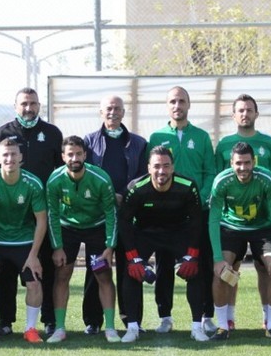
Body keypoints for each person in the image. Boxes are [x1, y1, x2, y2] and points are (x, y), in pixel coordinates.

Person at [0, 88, 63, 337]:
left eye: (32, 103)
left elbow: (59, 170)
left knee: (44, 268)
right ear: (15, 106)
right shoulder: (3, 133)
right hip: (8, 214)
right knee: (6, 272)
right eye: (23, 104)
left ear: (39, 105)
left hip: (41, 211)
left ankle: (49, 319)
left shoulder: (52, 133)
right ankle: (5, 321)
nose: (28, 108)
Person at [118, 146, 208, 342]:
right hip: (145, 233)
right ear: (148, 168)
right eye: (157, 166)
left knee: (195, 270)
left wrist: (192, 255)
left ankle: (197, 326)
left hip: (178, 232)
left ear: (173, 167)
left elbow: (196, 221)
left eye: (166, 166)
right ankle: (132, 327)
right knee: (130, 271)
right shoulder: (136, 188)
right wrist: (133, 257)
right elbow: (124, 222)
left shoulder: (187, 186)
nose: (162, 171)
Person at [146, 87, 218, 333]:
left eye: (182, 101)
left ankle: (206, 315)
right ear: (167, 105)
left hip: (197, 212)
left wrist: (200, 199)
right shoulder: (156, 136)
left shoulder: (201, 137)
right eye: (173, 101)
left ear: (189, 104)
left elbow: (210, 172)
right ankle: (165, 316)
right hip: (166, 214)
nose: (177, 105)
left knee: (200, 264)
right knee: (164, 265)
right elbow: (152, 173)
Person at [212, 95, 271, 330]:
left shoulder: (268, 143)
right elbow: (220, 185)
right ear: (233, 115)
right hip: (232, 223)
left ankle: (269, 320)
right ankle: (227, 320)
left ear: (256, 114)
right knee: (228, 269)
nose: (245, 114)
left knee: (268, 268)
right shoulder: (224, 145)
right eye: (240, 110)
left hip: (262, 222)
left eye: (249, 110)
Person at [45, 136, 121, 343]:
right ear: (63, 157)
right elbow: (52, 215)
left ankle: (110, 328)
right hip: (68, 228)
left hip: (96, 227)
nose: (74, 158)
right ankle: (60, 328)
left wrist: (110, 247)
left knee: (103, 275)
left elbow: (111, 213)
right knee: (62, 274)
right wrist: (57, 247)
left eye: (78, 154)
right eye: (70, 154)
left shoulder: (101, 178)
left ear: (85, 155)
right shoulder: (54, 180)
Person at [208, 142, 271, 340]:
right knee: (221, 273)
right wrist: (217, 259)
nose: (243, 167)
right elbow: (214, 219)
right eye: (238, 163)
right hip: (231, 228)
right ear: (231, 163)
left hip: (261, 228)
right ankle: (223, 326)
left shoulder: (266, 178)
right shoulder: (222, 181)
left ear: (254, 161)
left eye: (247, 163)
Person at [82, 95, 147, 334]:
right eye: (108, 108)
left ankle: (132, 320)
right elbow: (85, 174)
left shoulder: (139, 143)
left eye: (117, 108)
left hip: (129, 214)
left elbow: (144, 175)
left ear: (123, 112)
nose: (113, 112)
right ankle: (93, 321)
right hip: (99, 217)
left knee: (130, 267)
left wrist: (123, 193)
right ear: (101, 112)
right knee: (97, 267)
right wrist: (106, 197)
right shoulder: (89, 142)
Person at [0, 138, 49, 344]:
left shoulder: (33, 183)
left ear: (21, 157)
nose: (10, 158)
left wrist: (34, 255)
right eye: (5, 155)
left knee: (34, 283)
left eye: (13, 154)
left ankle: (30, 329)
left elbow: (41, 220)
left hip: (24, 241)